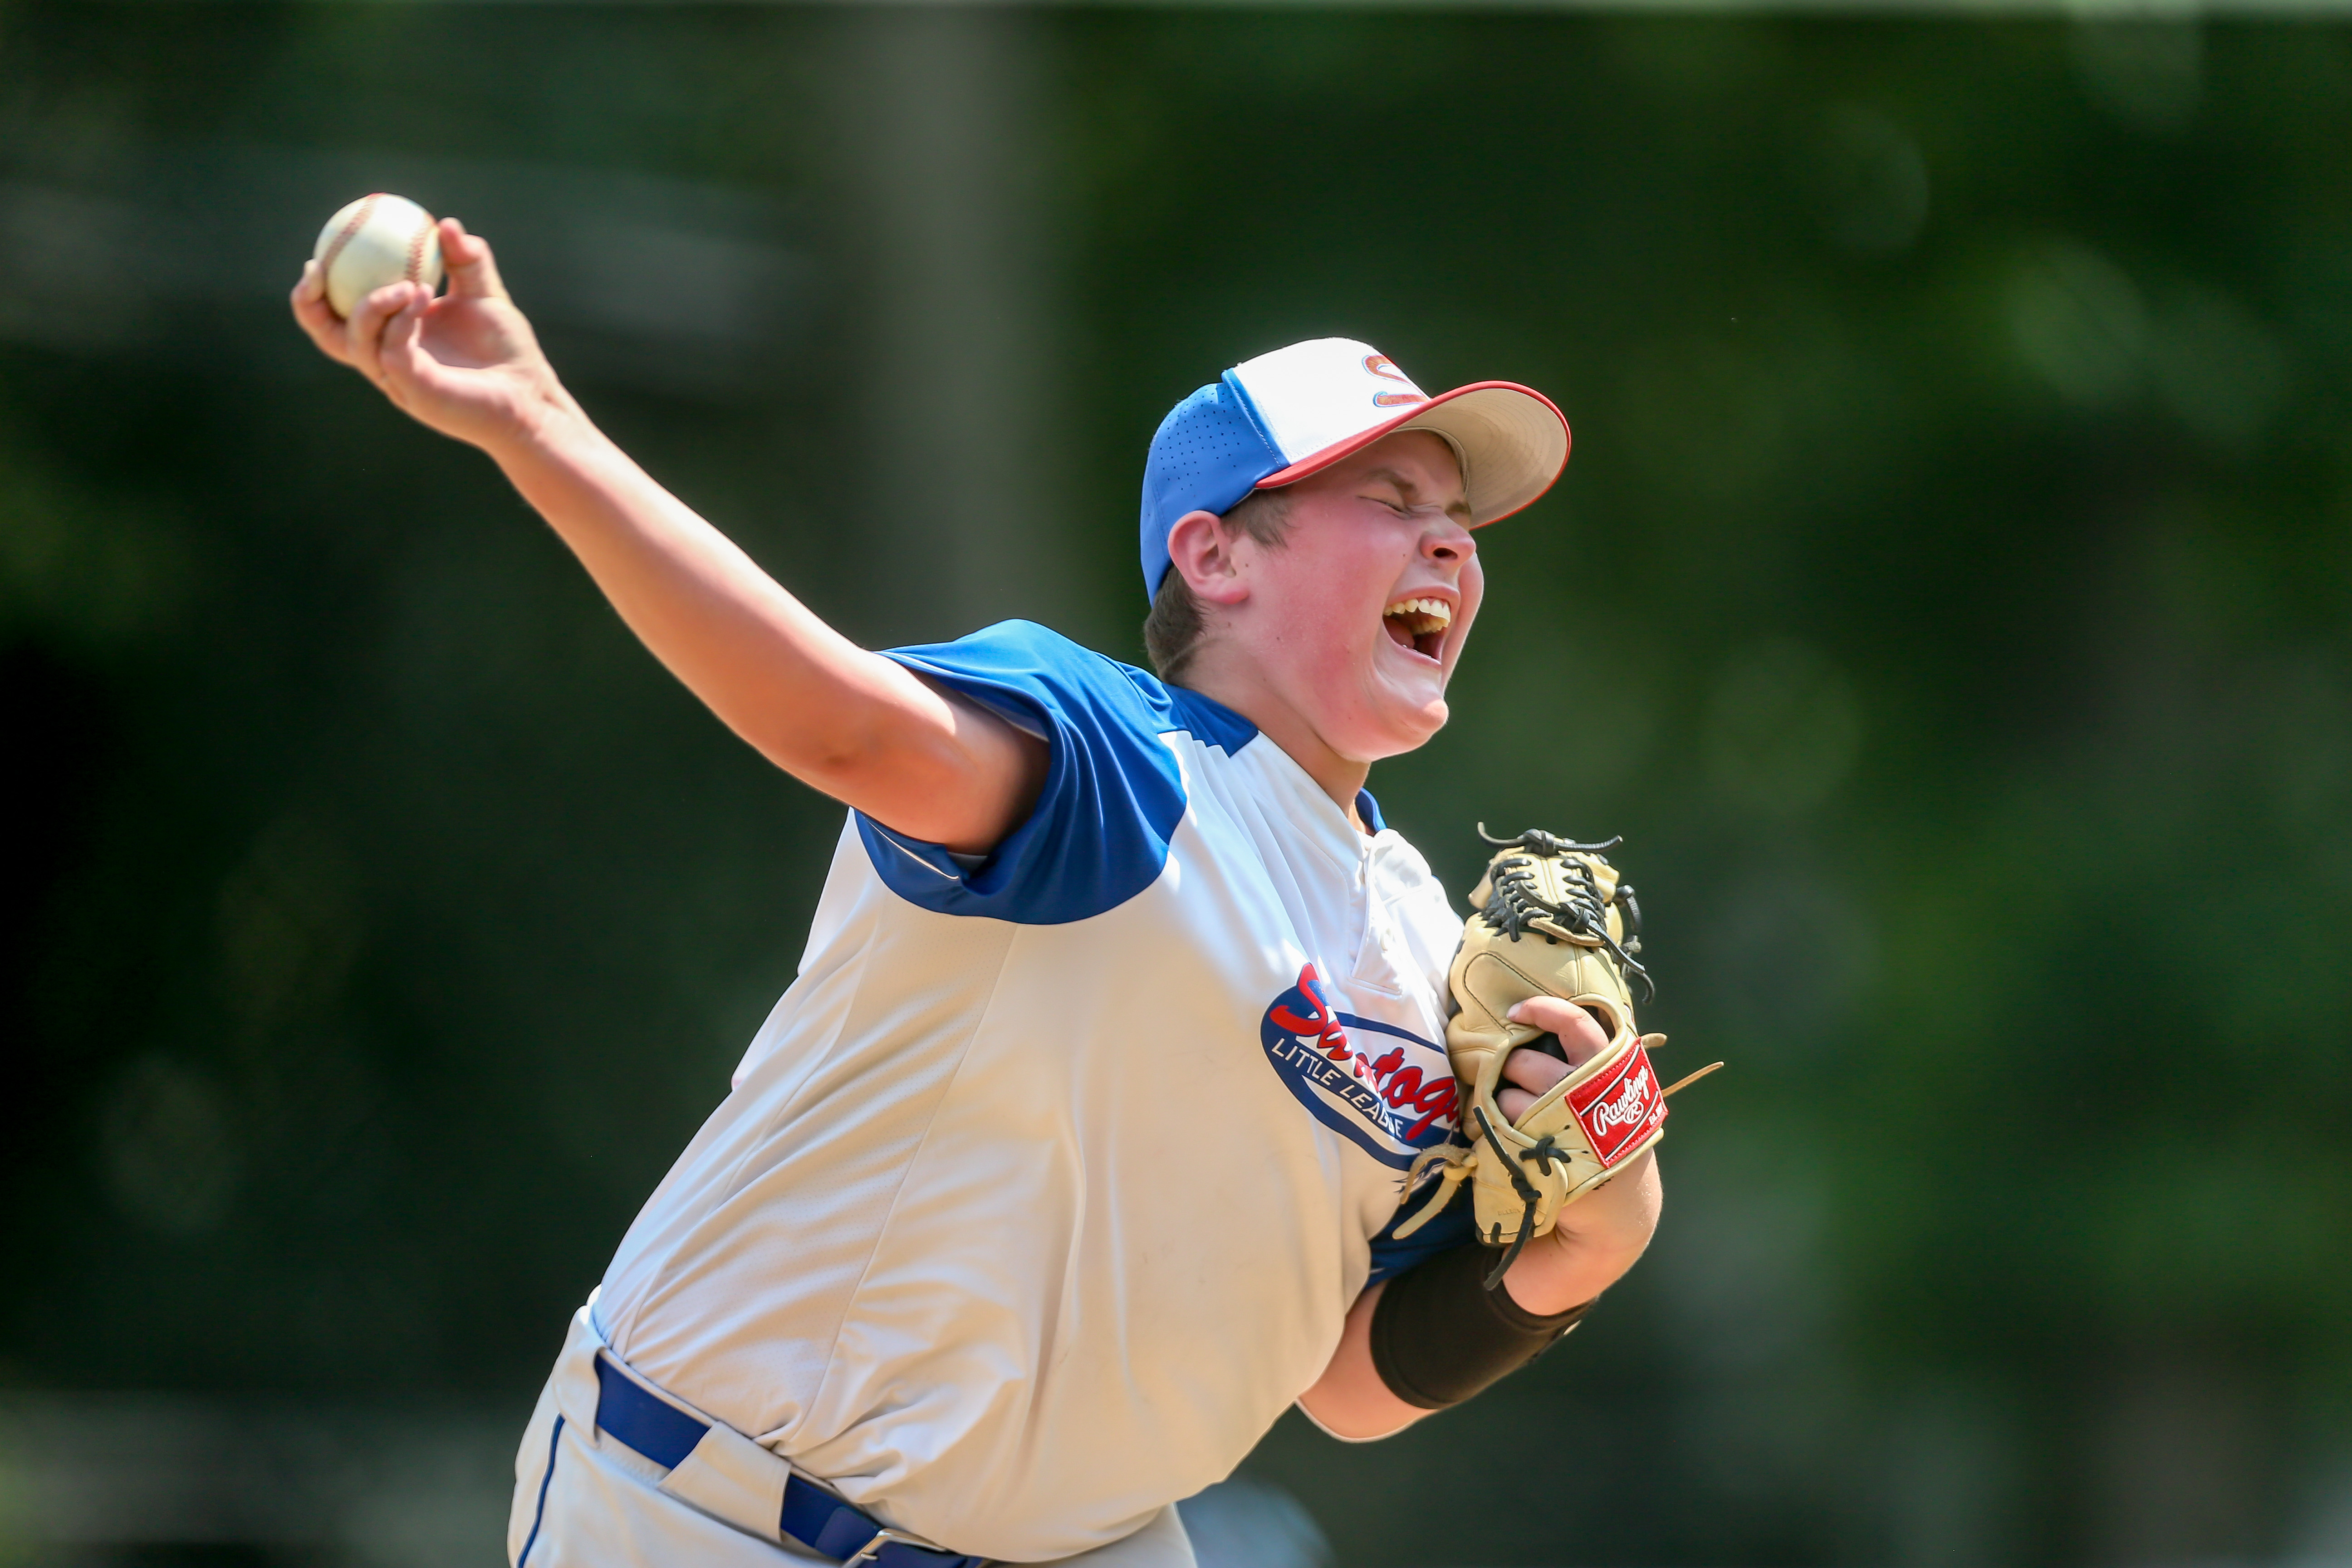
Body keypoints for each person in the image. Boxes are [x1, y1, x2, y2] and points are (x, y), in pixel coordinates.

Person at [291, 220, 1666, 1568]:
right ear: (1218, 556)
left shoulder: (1434, 957)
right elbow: (844, 730)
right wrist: (537, 419)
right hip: (706, 1510)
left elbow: (1346, 1385)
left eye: (1461, 521)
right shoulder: (1114, 765)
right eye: (1393, 503)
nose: (1452, 549)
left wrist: (1579, 1257)